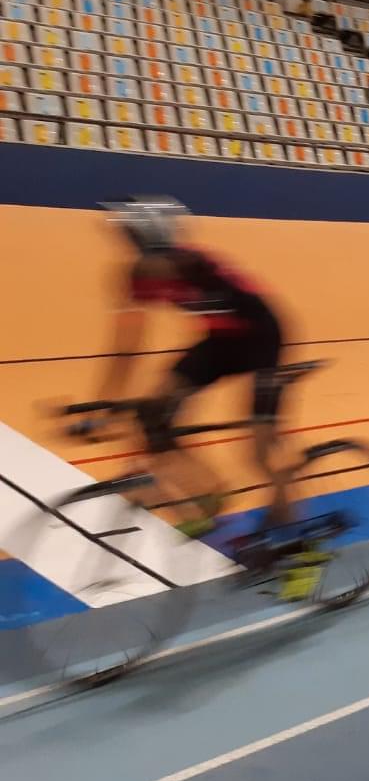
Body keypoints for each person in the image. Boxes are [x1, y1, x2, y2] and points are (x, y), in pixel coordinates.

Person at [90, 198, 315, 591]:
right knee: (152, 416)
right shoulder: (137, 276)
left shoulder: (196, 265)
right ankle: (209, 497)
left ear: (151, 239)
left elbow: (254, 313)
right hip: (220, 340)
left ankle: (302, 552)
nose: (125, 244)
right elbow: (127, 345)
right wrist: (106, 404)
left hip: (263, 337)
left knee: (260, 453)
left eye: (130, 236)